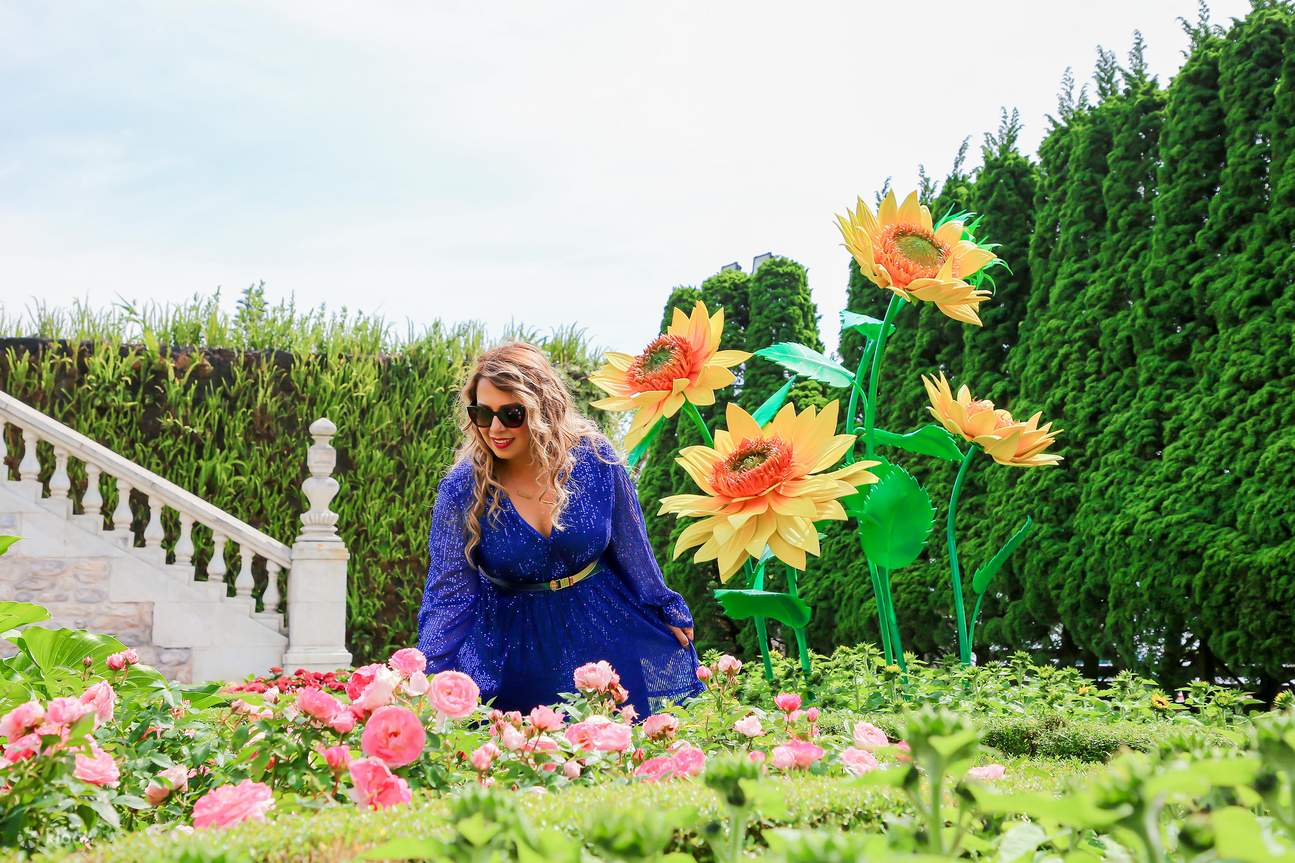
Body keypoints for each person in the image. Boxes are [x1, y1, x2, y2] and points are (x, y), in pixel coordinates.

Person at [416, 341, 704, 718]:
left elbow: (633, 549)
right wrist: (424, 675)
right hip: (513, 652)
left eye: (512, 413)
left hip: (604, 633)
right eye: (482, 414)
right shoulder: (462, 489)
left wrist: (665, 605)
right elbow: (449, 592)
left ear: (543, 408)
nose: (496, 428)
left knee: (623, 753)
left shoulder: (597, 461)